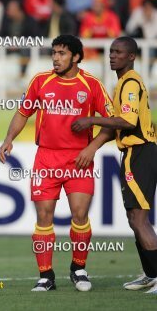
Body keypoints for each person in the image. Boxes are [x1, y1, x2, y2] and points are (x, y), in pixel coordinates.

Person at [0, 35, 114, 292]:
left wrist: (92, 148)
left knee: (80, 214)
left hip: (79, 160)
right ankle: (45, 275)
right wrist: (8, 139)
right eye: (54, 53)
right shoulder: (41, 81)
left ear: (75, 56)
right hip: (46, 158)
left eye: (61, 53)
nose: (55, 58)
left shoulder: (91, 85)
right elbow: (23, 112)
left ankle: (79, 268)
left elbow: (112, 122)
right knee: (43, 216)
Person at [71, 37, 157, 293]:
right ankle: (151, 273)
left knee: (140, 219)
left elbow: (128, 121)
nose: (112, 56)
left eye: (119, 52)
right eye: (111, 51)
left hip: (139, 151)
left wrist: (90, 120)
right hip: (136, 153)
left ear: (131, 57)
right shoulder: (123, 82)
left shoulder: (130, 82)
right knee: (134, 218)